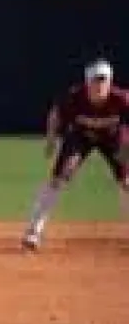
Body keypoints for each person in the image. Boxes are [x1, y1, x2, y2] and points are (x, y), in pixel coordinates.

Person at [22, 58, 129, 250]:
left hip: (114, 138)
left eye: (104, 80)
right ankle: (34, 231)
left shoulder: (121, 99)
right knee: (57, 179)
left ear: (110, 81)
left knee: (126, 181)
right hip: (81, 137)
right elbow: (55, 114)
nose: (99, 85)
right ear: (87, 82)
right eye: (95, 80)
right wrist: (51, 140)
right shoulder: (74, 97)